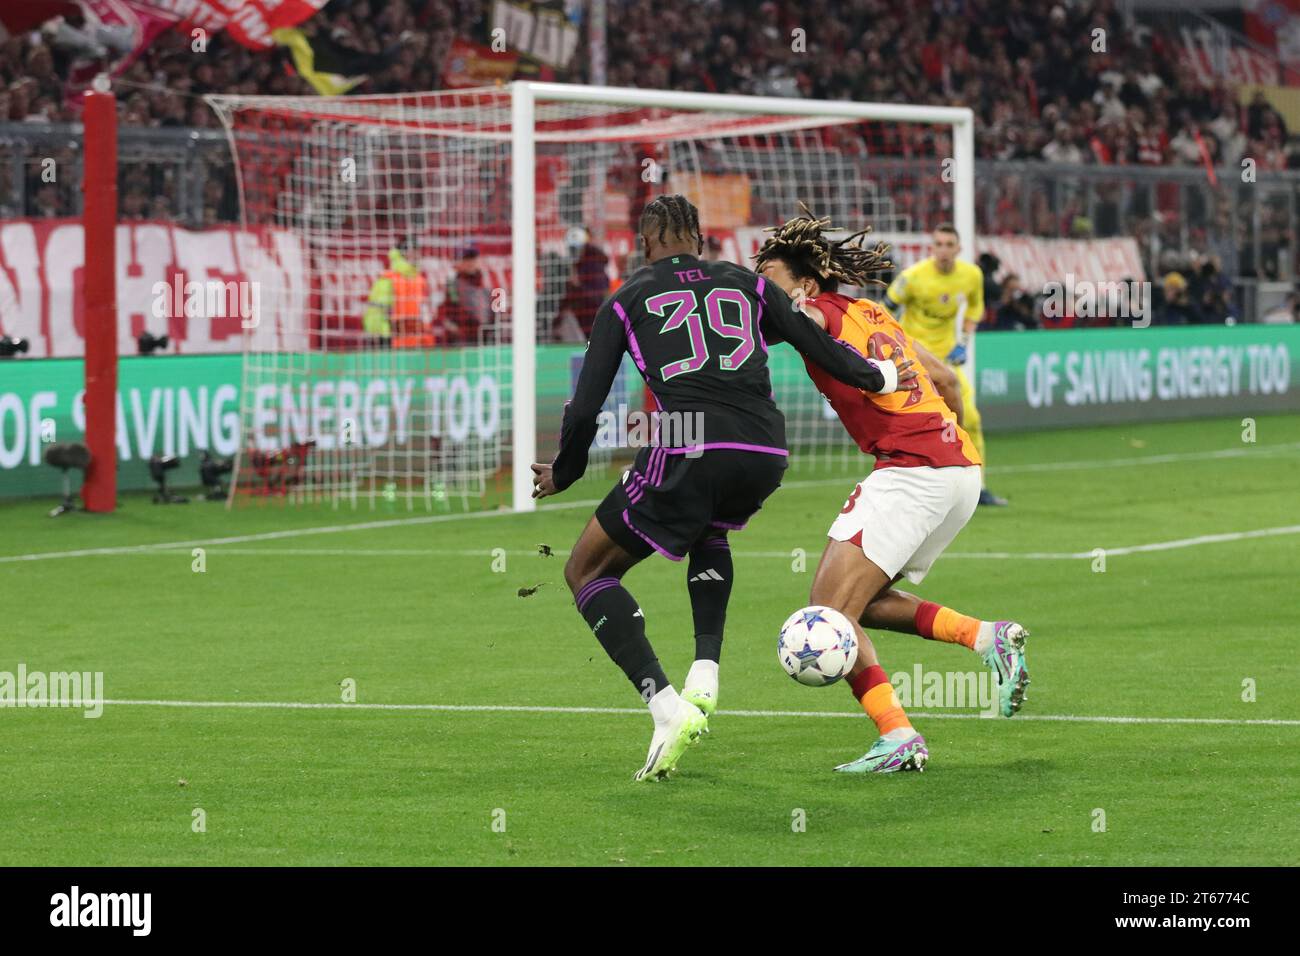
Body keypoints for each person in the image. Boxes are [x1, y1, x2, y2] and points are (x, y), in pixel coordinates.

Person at [530, 195, 914, 781]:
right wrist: (875, 374)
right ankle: (704, 674)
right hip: (764, 449)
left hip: (690, 444)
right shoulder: (744, 282)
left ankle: (665, 708)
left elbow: (585, 407)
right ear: (701, 240)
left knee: (586, 571)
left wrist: (568, 470)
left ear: (644, 244)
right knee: (711, 526)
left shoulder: (627, 299)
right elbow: (813, 340)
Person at [755, 206, 1030, 774]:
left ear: (805, 287)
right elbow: (949, 380)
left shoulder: (816, 317)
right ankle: (986, 638)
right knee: (863, 605)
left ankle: (898, 735)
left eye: (770, 287)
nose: (762, 298)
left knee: (827, 613)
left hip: (912, 472)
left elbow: (795, 331)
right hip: (959, 472)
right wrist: (943, 440)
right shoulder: (872, 312)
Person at [886, 224, 1008, 506]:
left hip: (946, 363)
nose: (943, 250)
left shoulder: (971, 275)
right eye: (938, 244)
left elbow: (975, 309)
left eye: (948, 244)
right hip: (913, 362)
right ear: (931, 249)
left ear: (958, 249)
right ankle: (907, 490)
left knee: (972, 420)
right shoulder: (912, 277)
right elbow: (884, 310)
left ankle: (977, 487)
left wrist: (963, 341)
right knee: (909, 428)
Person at [363, 239, 428, 347]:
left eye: (417, 251)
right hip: (391, 339)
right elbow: (376, 312)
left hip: (415, 338)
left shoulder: (419, 279)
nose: (416, 255)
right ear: (402, 253)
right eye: (413, 251)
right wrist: (382, 336)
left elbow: (423, 311)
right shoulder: (388, 278)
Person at [552, 226, 611, 342]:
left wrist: (577, 286)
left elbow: (598, 298)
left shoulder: (594, 265)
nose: (573, 251)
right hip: (583, 324)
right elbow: (570, 296)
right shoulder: (578, 265)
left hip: (593, 324)